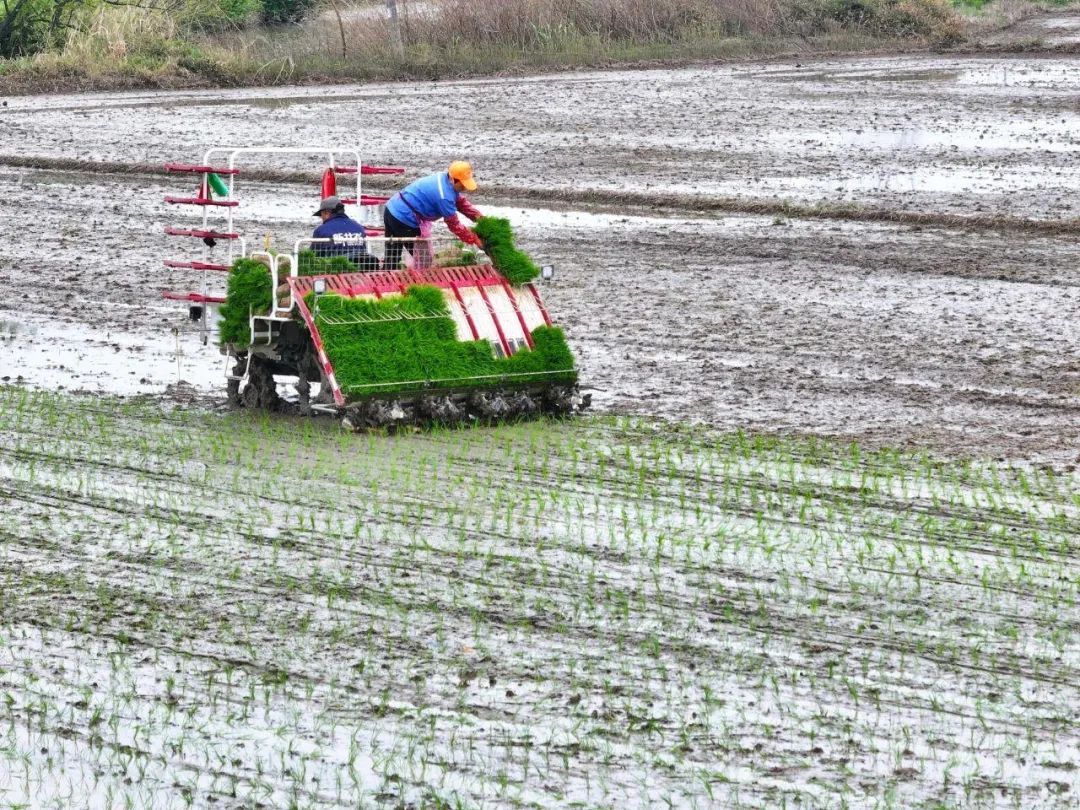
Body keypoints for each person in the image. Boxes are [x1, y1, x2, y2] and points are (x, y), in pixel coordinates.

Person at [383, 161, 484, 270]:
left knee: (392, 255)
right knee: (424, 259)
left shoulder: (444, 178)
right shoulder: (444, 197)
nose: (465, 188)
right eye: (463, 184)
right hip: (404, 219)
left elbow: (460, 202)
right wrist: (473, 238)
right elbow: (453, 224)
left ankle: (386, 278)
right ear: (454, 179)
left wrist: (479, 218)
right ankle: (420, 283)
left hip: (391, 208)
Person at [312, 196, 379, 271]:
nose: (321, 218)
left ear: (326, 213)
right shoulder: (359, 227)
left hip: (334, 271)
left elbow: (312, 256)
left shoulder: (321, 230)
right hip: (360, 271)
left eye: (321, 215)